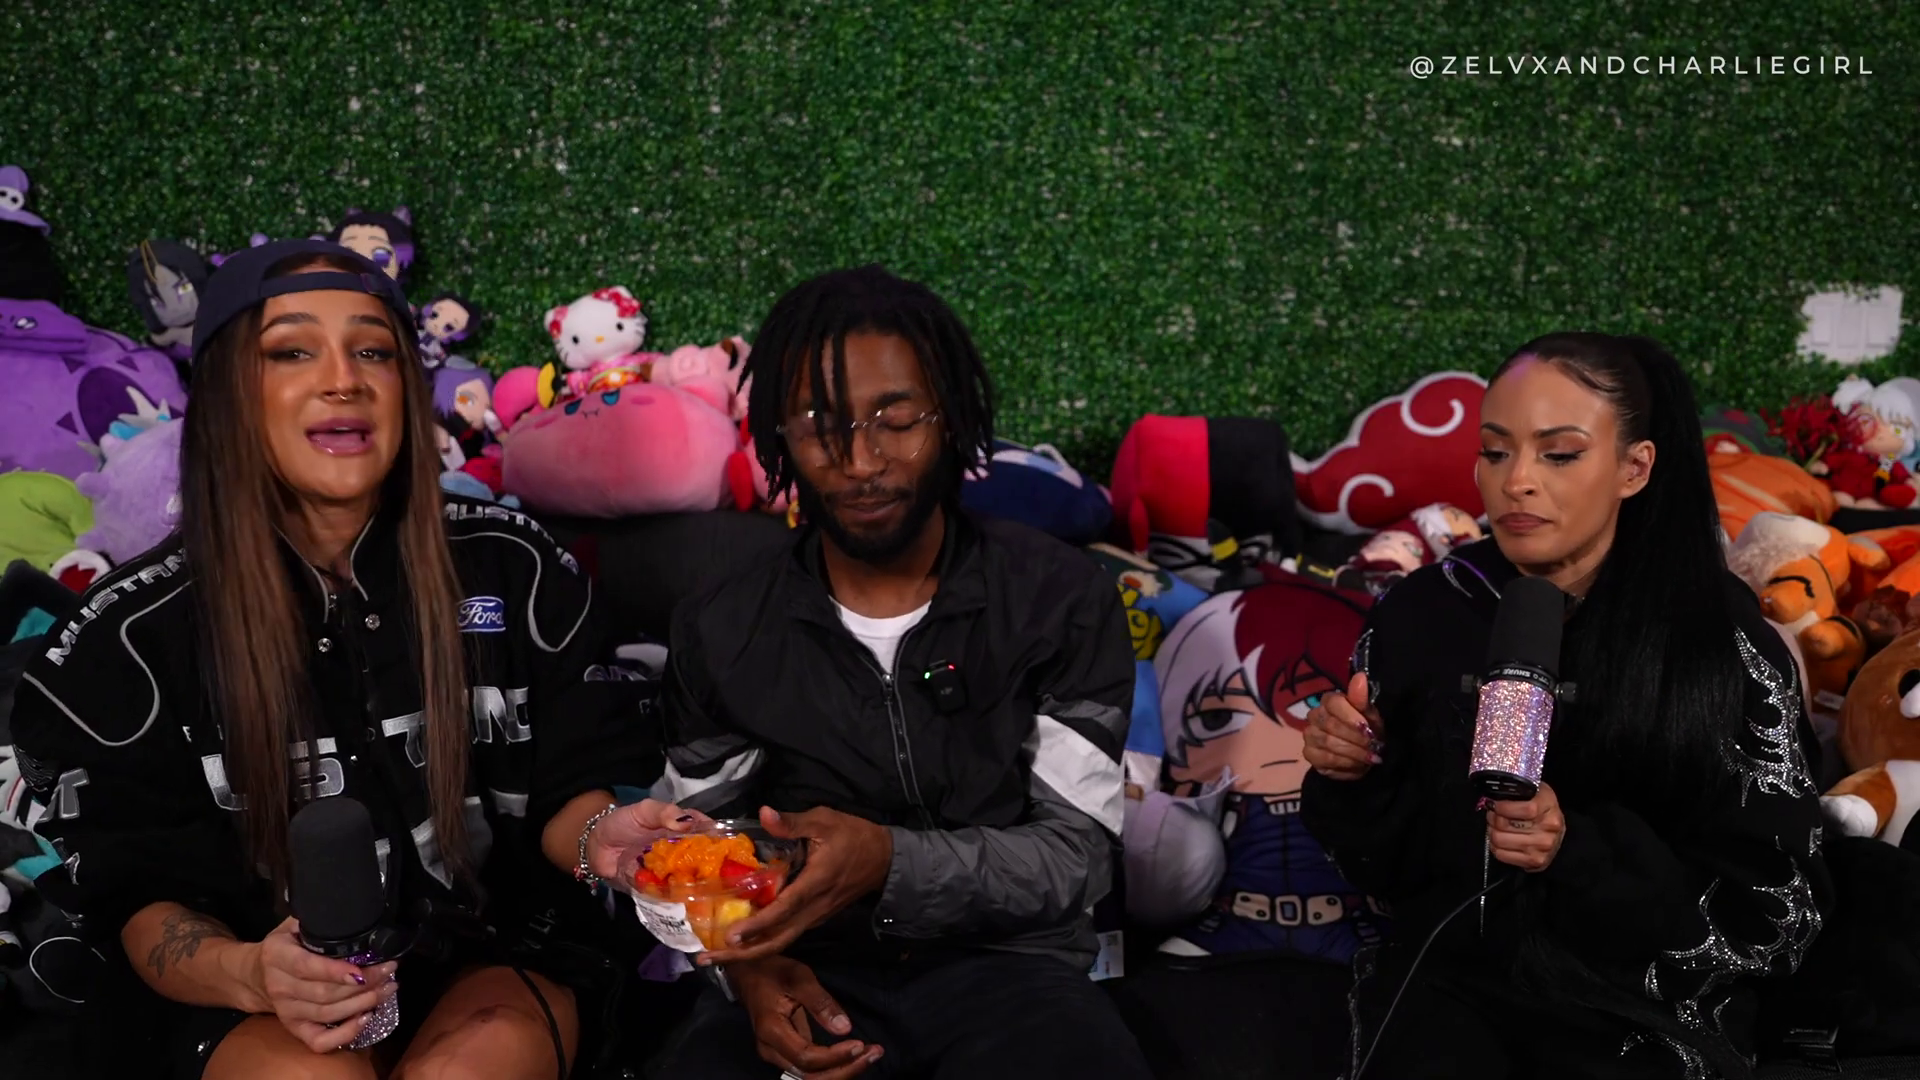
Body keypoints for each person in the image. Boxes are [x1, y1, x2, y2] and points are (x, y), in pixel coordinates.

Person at [11, 239, 687, 1080]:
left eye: (373, 351)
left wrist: (599, 837)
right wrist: (253, 973)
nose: (344, 380)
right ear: (223, 395)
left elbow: (568, 784)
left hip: (496, 954)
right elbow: (134, 899)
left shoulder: (513, 564)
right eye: (291, 351)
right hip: (236, 982)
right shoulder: (128, 637)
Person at [646, 265, 1152, 1080]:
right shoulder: (721, 624)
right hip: (805, 968)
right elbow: (704, 850)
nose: (860, 460)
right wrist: (750, 972)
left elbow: (1075, 858)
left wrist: (888, 861)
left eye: (897, 418)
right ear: (778, 435)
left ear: (949, 417)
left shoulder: (1059, 598)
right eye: (821, 425)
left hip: (1011, 972)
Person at [1300, 332, 1833, 1079]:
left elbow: (1780, 917)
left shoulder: (1720, 643)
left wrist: (1578, 852)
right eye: (1495, 452)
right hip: (1448, 992)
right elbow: (1382, 871)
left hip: (1644, 1014)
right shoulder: (1423, 612)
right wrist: (1352, 773)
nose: (1517, 481)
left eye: (1558, 454)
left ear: (1634, 467)